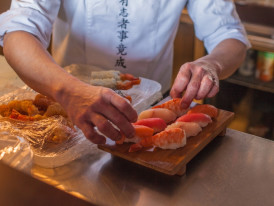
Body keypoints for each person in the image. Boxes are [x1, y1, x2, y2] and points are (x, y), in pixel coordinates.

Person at [0, 0, 250, 144]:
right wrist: (70, 91)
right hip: (69, 114)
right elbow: (18, 33)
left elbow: (229, 36)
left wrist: (212, 63)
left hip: (150, 119)